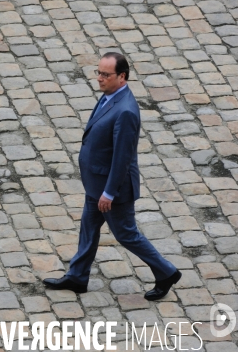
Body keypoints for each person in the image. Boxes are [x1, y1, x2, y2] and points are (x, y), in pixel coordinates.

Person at [43, 52, 181, 301]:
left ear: (122, 77)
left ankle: (166, 272)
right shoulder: (109, 96)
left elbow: (122, 157)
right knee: (88, 226)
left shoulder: (126, 111)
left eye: (105, 74)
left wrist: (109, 192)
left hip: (112, 188)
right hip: (96, 182)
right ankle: (77, 276)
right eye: (98, 72)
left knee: (126, 234)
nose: (99, 79)